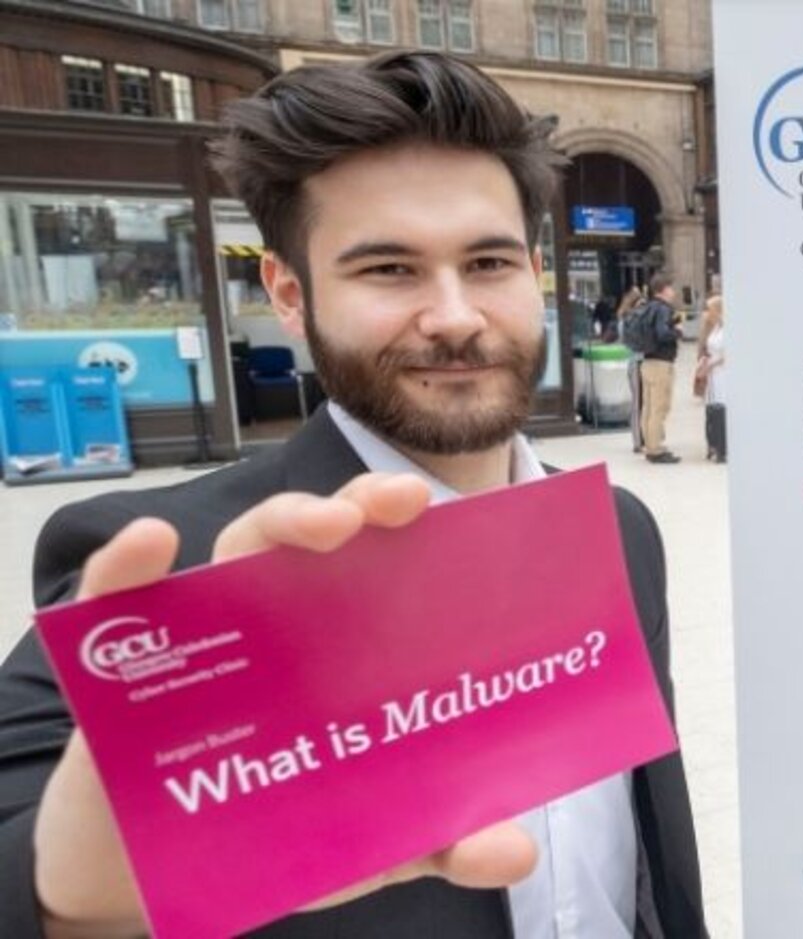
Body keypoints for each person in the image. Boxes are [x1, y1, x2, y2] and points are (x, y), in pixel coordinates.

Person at [0, 52, 708, 939]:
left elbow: (650, 846)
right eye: (389, 270)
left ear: (533, 270)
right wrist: (73, 897)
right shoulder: (182, 563)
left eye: (486, 261)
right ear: (291, 294)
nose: (454, 315)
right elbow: (27, 831)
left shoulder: (618, 526)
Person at [622, 275, 681, 462]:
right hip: (661, 364)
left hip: (647, 363)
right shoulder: (663, 309)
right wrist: (677, 331)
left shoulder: (646, 307)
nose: (674, 291)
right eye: (671, 288)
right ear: (663, 289)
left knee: (648, 407)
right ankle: (656, 450)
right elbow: (663, 334)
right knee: (659, 408)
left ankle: (650, 445)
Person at [694, 295, 726, 463]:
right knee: (711, 408)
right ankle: (712, 444)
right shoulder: (714, 328)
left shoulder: (728, 329)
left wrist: (711, 365)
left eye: (709, 309)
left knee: (721, 407)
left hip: (722, 372)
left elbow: (728, 355)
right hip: (712, 372)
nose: (707, 313)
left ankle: (722, 447)